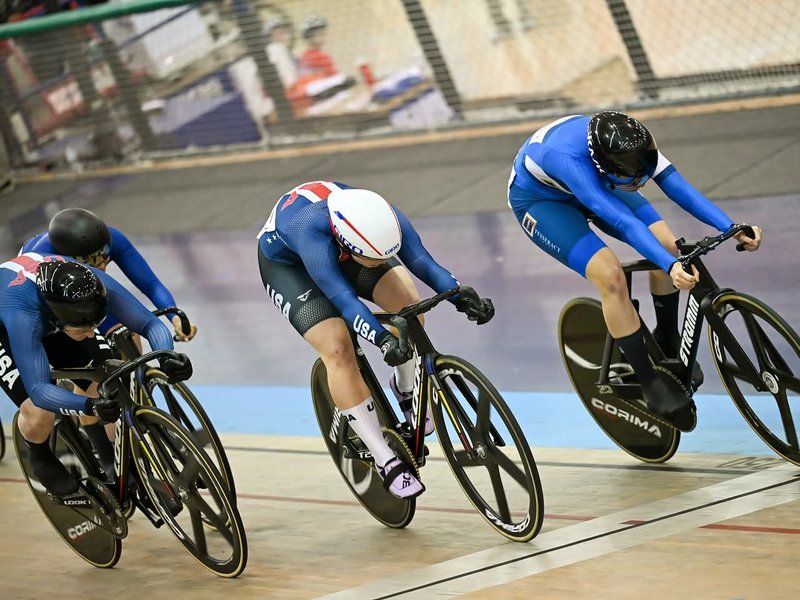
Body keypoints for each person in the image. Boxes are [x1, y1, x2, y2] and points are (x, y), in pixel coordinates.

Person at [507, 111, 763, 428]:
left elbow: (677, 185)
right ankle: (649, 382)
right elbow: (623, 223)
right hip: (541, 201)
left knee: (667, 244)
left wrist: (730, 226)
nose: (640, 181)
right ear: (606, 167)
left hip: (599, 179)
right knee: (610, 274)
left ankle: (667, 338)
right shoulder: (568, 160)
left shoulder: (633, 145)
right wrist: (669, 267)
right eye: (632, 178)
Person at [257, 181, 494, 499]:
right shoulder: (309, 232)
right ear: (347, 242)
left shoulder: (385, 217)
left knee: (408, 310)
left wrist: (459, 294)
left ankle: (405, 388)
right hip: (290, 267)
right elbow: (344, 300)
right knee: (338, 346)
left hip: (352, 248)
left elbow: (423, 262)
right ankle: (383, 457)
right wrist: (382, 340)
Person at [0, 254, 192, 496]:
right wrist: (89, 406)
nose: (92, 334)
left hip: (54, 311)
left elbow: (150, 325)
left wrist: (167, 356)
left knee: (107, 377)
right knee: (40, 415)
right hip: (7, 325)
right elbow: (39, 391)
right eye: (85, 328)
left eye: (95, 325)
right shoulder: (23, 318)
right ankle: (38, 452)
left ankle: (109, 456)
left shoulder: (92, 284)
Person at [22, 207, 197, 342]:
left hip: (82, 278)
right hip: (49, 292)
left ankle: (136, 385)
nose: (103, 266)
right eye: (95, 264)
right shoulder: (43, 261)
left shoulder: (112, 239)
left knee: (129, 336)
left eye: (105, 259)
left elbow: (150, 284)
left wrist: (174, 318)